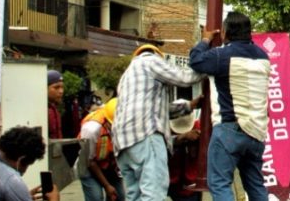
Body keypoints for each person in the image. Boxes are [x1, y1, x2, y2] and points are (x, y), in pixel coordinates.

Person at [190, 11, 271, 201]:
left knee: (219, 183)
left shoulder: (222, 56)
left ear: (225, 32)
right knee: (256, 185)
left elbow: (195, 60)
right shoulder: (263, 56)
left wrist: (205, 41)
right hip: (257, 132)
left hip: (230, 129)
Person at [114, 44, 205, 201]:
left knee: (134, 196)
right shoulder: (151, 61)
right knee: (153, 194)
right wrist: (208, 63)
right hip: (144, 136)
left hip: (122, 143)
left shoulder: (127, 76)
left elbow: (156, 109)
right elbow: (186, 77)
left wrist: (189, 106)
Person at [0, 126, 60, 201]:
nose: (25, 171)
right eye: (28, 165)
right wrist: (54, 199)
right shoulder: (12, 180)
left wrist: (21, 196)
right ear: (21, 159)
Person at [78, 98, 123, 201]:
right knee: (96, 197)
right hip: (88, 164)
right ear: (107, 121)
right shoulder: (91, 129)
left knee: (119, 196)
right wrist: (107, 186)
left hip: (108, 163)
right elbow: (89, 161)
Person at [168, 97, 204, 201]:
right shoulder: (166, 130)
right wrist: (181, 138)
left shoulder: (198, 127)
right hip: (170, 180)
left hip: (190, 184)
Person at [47, 70, 65, 140]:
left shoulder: (54, 109)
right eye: (56, 87)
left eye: (62, 87)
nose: (61, 91)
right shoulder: (41, 111)